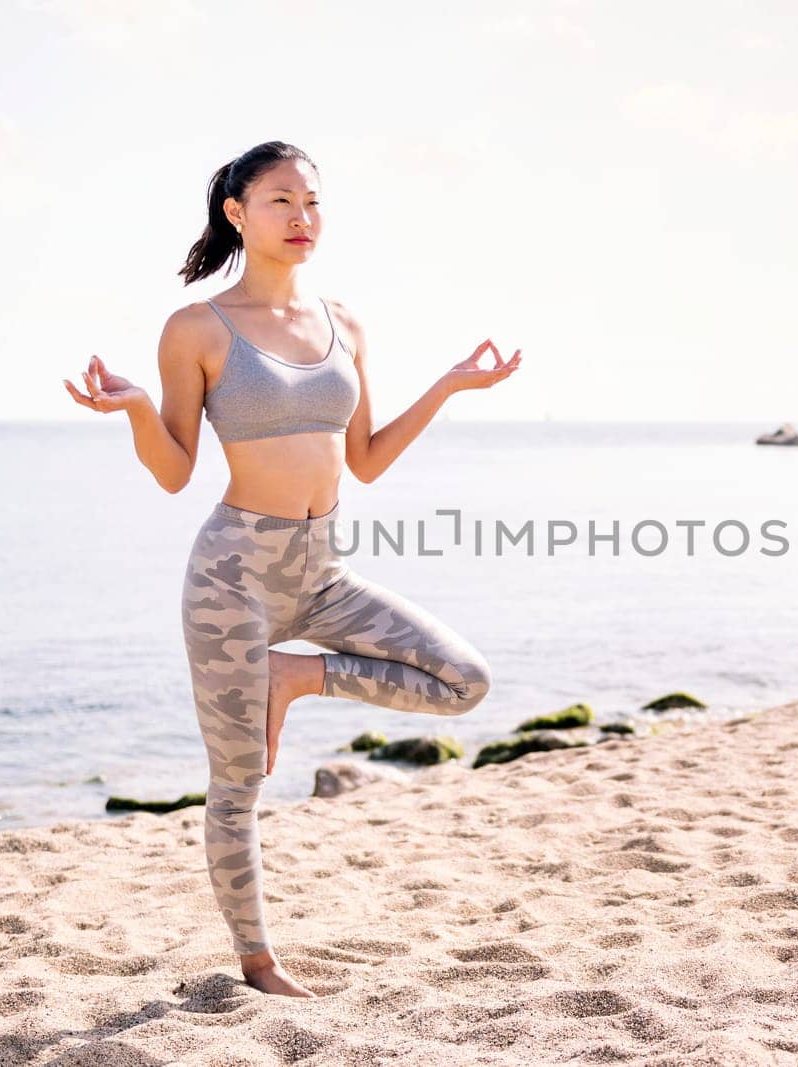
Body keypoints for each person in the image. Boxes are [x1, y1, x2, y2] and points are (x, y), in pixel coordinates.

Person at [62, 140, 521, 997]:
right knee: (238, 783)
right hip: (234, 572)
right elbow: (173, 470)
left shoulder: (343, 321)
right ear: (237, 213)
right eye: (280, 201)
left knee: (464, 679)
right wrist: (130, 408)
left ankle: (296, 676)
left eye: (312, 201)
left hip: (321, 569)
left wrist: (451, 386)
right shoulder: (198, 327)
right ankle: (259, 962)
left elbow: (370, 459)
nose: (302, 217)